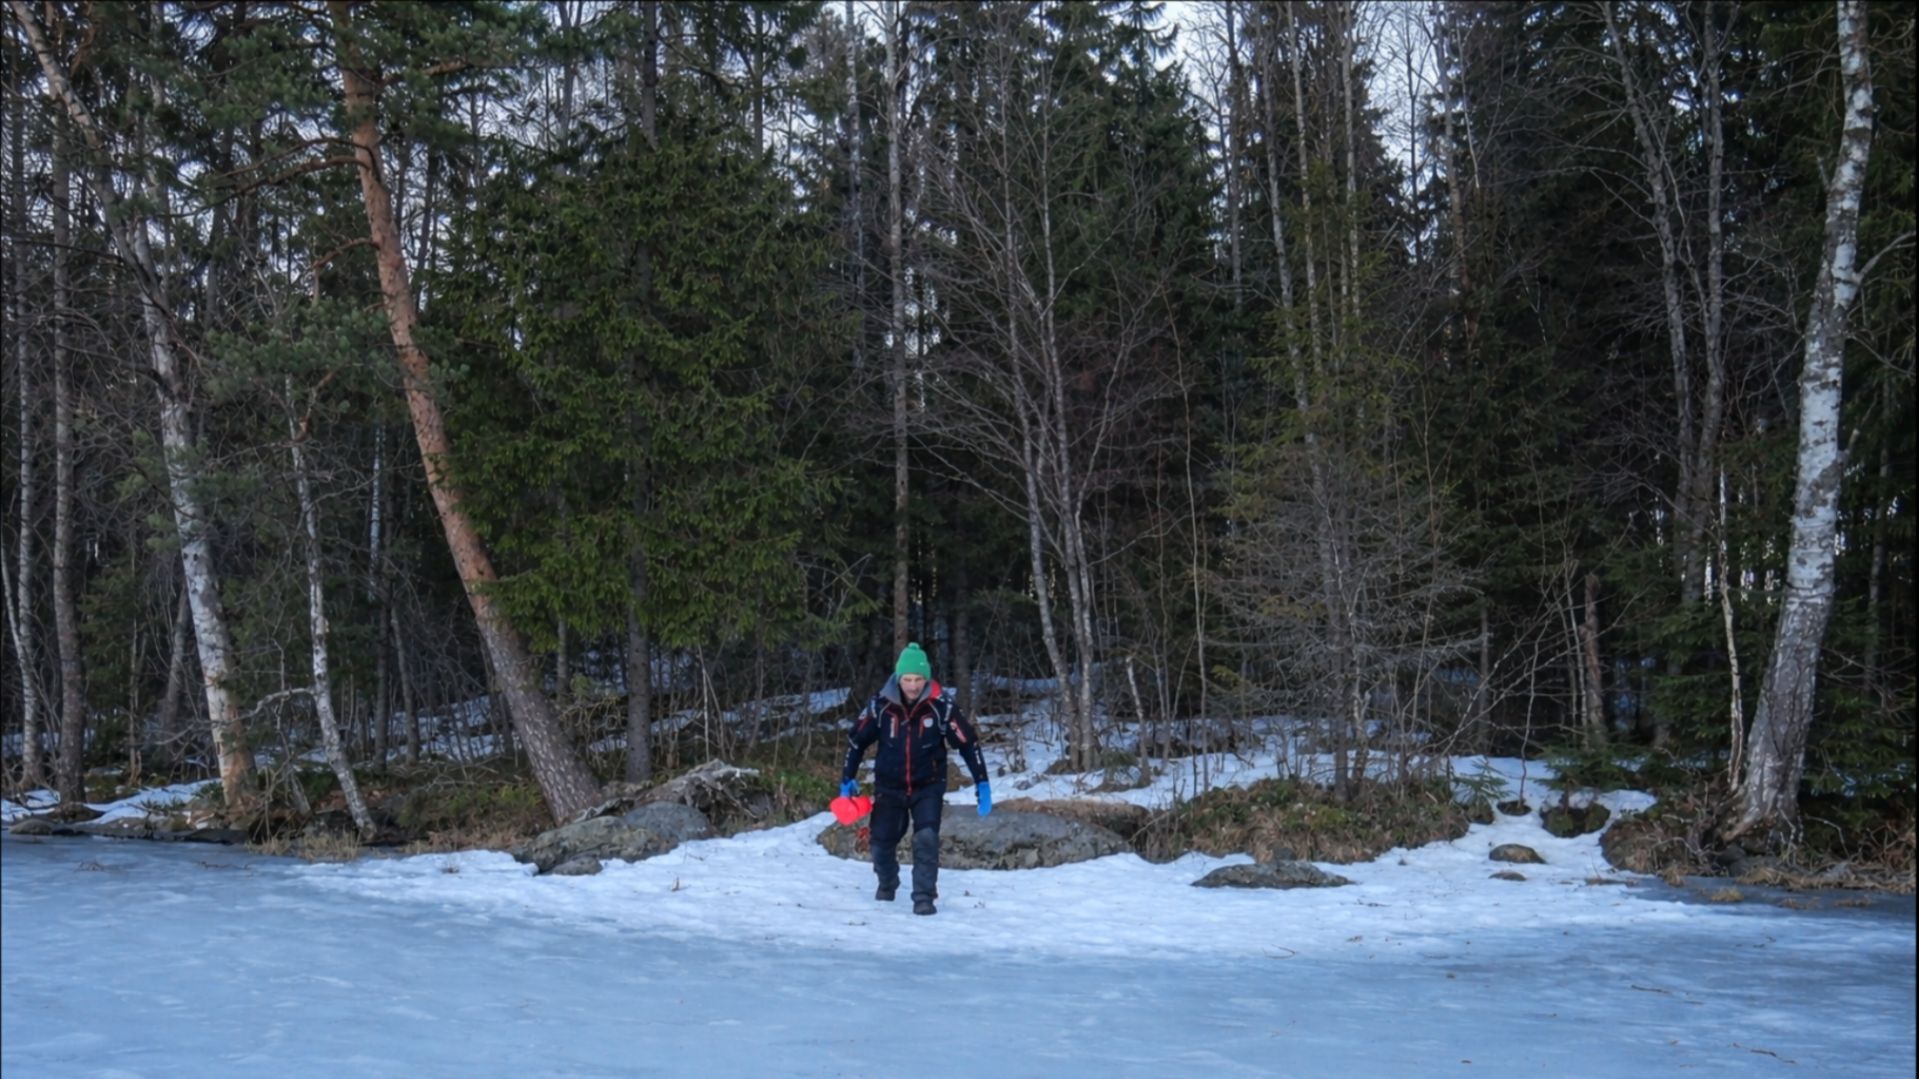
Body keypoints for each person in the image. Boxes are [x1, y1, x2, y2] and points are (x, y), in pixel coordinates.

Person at [839, 642, 991, 915]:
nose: (912, 686)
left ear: (926, 678)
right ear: (898, 678)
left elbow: (968, 743)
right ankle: (888, 880)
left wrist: (982, 782)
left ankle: (924, 897)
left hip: (928, 785)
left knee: (926, 839)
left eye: (918, 679)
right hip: (889, 785)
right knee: (881, 843)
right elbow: (856, 741)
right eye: (907, 679)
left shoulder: (942, 706)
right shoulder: (880, 706)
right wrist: (847, 779)